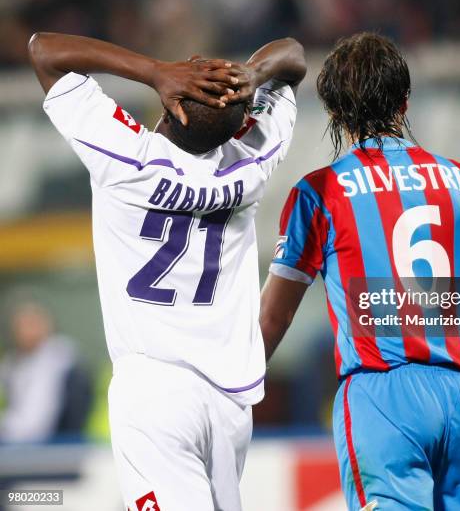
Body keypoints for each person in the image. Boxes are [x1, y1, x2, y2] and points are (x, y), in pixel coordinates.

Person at [260, 32, 460, 511]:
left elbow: (275, 317)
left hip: (382, 394)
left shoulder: (320, 192)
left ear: (331, 113)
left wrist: (233, 387)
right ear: (405, 103)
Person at [28, 32, 306, 511]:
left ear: (174, 106)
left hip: (153, 392)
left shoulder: (126, 158)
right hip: (229, 399)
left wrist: (155, 69)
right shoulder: (253, 160)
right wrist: (251, 76)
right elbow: (294, 57)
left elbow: (43, 50)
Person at [0, 301, 90, 443]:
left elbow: (34, 425)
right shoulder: (11, 364)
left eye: (33, 323)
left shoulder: (57, 360)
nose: (29, 330)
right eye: (23, 325)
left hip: (50, 447)